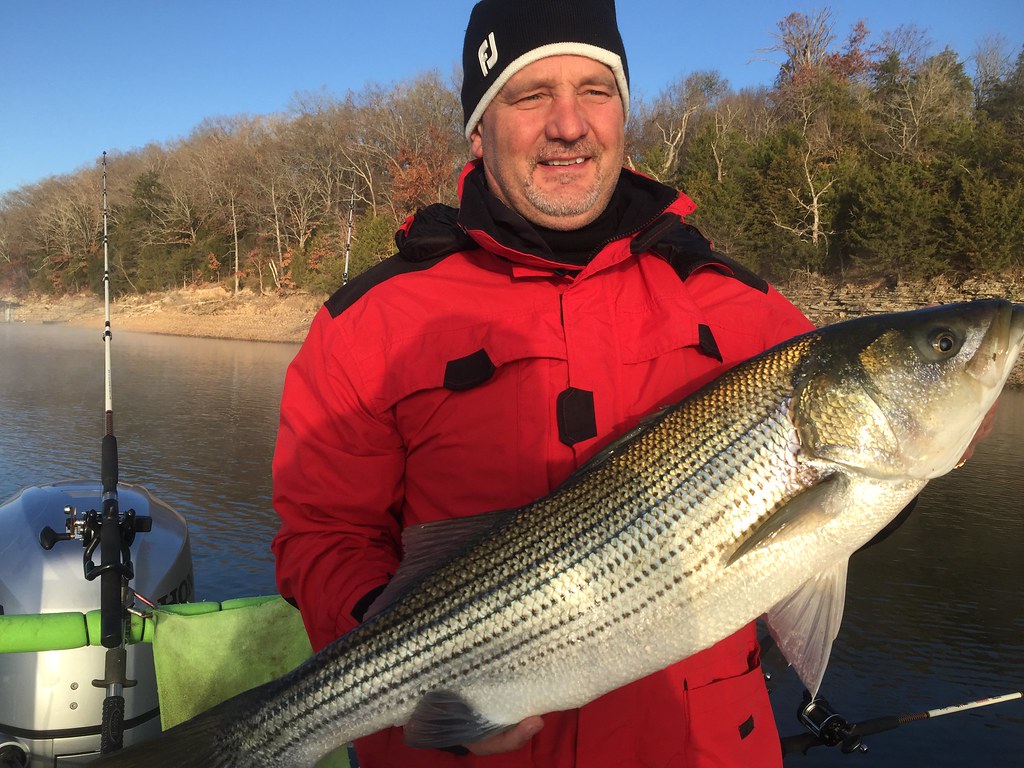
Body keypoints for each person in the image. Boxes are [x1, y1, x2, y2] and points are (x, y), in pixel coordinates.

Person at [272, 0, 814, 765]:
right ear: (478, 128)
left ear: (623, 112)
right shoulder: (370, 324)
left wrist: (943, 434)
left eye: (596, 90)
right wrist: (409, 652)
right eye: (530, 95)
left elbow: (847, 504)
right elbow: (322, 537)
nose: (569, 123)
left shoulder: (744, 306)